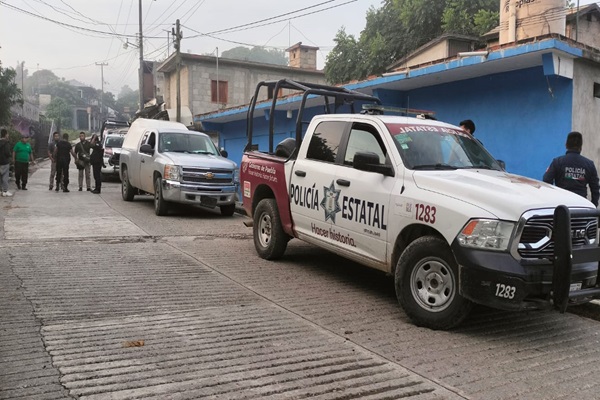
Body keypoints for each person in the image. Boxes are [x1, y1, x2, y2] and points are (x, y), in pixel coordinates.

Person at [543, 131, 600, 207]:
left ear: (566, 145)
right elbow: (595, 188)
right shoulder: (589, 164)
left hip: (562, 207)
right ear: (581, 147)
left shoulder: (557, 162)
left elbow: (546, 180)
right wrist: (593, 206)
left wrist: (553, 199)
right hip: (582, 207)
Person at [0, 129, 12, 197]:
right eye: (7, 134)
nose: (8, 135)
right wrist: (9, 156)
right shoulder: (6, 143)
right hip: (5, 162)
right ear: (5, 134)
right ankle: (5, 191)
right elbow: (7, 153)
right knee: (5, 176)